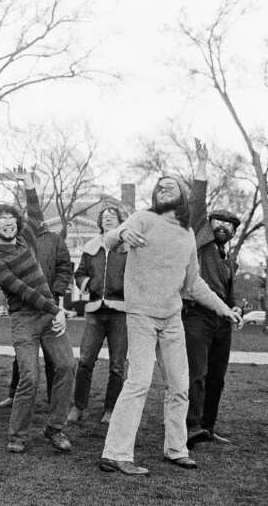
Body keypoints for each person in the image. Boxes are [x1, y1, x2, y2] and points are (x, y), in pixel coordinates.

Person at [98, 175, 242, 476]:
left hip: (172, 319)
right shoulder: (141, 218)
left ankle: (176, 449)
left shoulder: (188, 233)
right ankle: (115, 454)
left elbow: (193, 283)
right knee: (138, 383)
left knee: (180, 387)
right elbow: (109, 240)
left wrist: (224, 308)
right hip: (141, 316)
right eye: (159, 186)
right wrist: (122, 236)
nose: (163, 188)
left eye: (170, 186)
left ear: (181, 197)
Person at [0, 198, 75, 454]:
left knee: (67, 366)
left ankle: (55, 428)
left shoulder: (26, 241)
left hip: (48, 316)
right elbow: (24, 292)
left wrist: (29, 186)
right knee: (29, 377)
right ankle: (18, 435)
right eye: (2, 220)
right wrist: (57, 309)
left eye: (11, 219)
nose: (8, 223)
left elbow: (35, 215)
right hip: (24, 319)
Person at [185, 139, 241, 447]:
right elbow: (198, 203)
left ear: (232, 232)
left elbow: (228, 294)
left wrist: (235, 311)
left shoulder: (229, 259)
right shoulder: (201, 241)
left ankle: (207, 427)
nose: (222, 226)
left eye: (228, 225)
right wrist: (203, 164)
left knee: (217, 378)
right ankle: (190, 425)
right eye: (218, 221)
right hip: (197, 315)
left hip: (223, 322)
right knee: (197, 374)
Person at [0, 176, 73, 407]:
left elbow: (64, 268)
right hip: (26, 307)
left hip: (50, 303)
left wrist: (56, 294)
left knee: (58, 361)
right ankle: (15, 395)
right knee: (24, 363)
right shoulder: (20, 241)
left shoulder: (54, 240)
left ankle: (55, 401)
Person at [68, 206, 128, 425]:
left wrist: (123, 287)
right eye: (104, 217)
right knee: (84, 361)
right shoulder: (91, 247)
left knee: (117, 365)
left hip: (120, 314)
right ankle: (78, 406)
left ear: (121, 221)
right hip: (94, 312)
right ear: (100, 223)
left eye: (113, 217)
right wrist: (90, 284)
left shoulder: (128, 247)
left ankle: (111, 409)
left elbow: (137, 275)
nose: (108, 219)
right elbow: (79, 273)